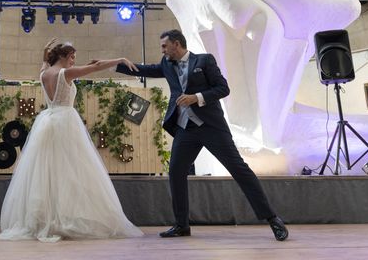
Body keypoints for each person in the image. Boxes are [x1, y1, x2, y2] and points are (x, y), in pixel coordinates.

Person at [116, 29, 289, 241]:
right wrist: (113, 63)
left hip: (211, 127)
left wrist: (196, 97)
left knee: (239, 169)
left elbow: (223, 88)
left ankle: (272, 219)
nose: (162, 50)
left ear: (176, 44)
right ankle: (182, 225)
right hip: (185, 129)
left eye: (164, 46)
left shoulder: (204, 61)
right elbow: (142, 69)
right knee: (176, 173)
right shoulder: (166, 64)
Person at [0, 39, 143, 242]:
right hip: (64, 121)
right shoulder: (65, 73)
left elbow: (45, 63)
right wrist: (120, 59)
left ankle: (47, 218)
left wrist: (45, 52)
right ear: (64, 56)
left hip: (47, 121)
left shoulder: (44, 73)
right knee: (70, 170)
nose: (74, 61)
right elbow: (96, 67)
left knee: (48, 171)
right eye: (72, 57)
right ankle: (63, 218)